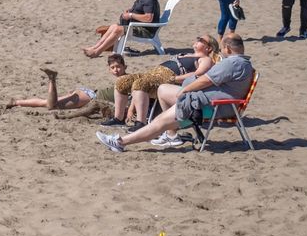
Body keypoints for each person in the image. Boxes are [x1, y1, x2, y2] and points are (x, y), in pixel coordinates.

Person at [97, 33, 254, 151]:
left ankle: (120, 142)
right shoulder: (240, 63)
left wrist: (185, 90)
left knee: (160, 121)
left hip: (210, 105)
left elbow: (205, 80)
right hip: (207, 99)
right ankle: (171, 135)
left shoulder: (233, 63)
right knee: (163, 89)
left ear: (227, 48)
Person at [102, 36, 220, 128]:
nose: (197, 40)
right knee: (122, 81)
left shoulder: (205, 59)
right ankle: (118, 118)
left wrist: (175, 79)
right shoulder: (188, 54)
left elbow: (198, 75)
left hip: (168, 77)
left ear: (208, 48)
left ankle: (141, 123)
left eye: (201, 40)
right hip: (154, 72)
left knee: (141, 84)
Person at [6, 57, 127, 114]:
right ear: (109, 70)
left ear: (124, 67)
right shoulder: (125, 79)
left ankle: (16, 102)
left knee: (46, 102)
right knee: (52, 105)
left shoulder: (127, 79)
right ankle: (52, 79)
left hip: (88, 94)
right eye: (113, 68)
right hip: (90, 97)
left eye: (118, 67)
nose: (116, 70)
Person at [83, 0, 159, 58]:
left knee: (118, 29)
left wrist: (131, 15)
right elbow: (141, 11)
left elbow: (148, 18)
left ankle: (97, 52)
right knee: (114, 26)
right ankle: (95, 47)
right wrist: (130, 11)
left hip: (147, 31)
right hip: (139, 26)